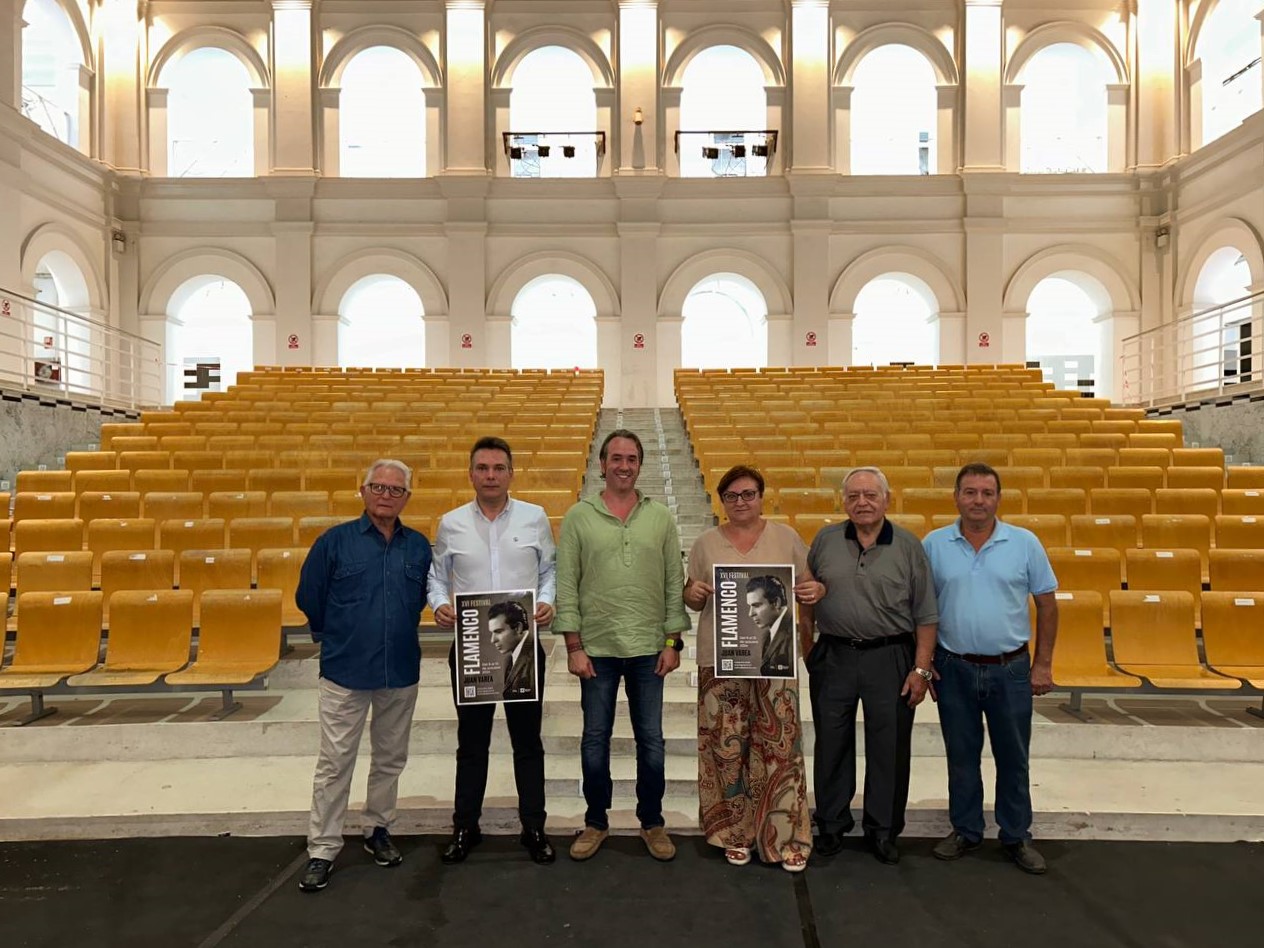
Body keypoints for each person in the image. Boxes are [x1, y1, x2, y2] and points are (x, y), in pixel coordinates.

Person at [296, 459, 432, 892]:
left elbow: (424, 600)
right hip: (345, 670)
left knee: (390, 759)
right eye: (379, 487)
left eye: (396, 490)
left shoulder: (418, 547)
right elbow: (309, 597)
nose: (386, 496)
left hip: (400, 669)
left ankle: (378, 829)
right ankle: (323, 847)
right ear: (363, 490)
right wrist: (336, 633)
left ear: (407, 498)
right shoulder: (334, 543)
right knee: (335, 763)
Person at [554, 428, 690, 863]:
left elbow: (673, 582)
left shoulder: (661, 518)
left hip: (650, 647)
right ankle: (596, 821)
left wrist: (673, 641)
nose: (624, 466)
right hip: (596, 648)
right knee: (595, 739)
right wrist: (573, 645)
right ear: (602, 463)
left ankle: (652, 821)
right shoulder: (579, 515)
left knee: (652, 740)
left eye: (632, 459)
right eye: (616, 458)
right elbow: (566, 583)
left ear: (640, 464)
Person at [684, 465, 825, 872]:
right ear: (722, 501)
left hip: (774, 663)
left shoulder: (786, 538)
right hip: (720, 661)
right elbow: (692, 598)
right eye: (732, 496)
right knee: (726, 749)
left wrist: (815, 591)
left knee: (780, 750)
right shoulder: (706, 543)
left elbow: (810, 586)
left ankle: (786, 836)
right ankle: (734, 832)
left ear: (761, 496)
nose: (741, 502)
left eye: (748, 494)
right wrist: (691, 592)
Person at [922, 462, 1059, 875]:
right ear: (956, 497)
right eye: (970, 492)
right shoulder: (934, 543)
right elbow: (923, 611)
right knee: (961, 755)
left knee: (1013, 757)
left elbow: (1048, 606)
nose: (978, 500)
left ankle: (1016, 835)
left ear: (998, 498)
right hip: (954, 668)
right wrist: (924, 664)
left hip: (1011, 670)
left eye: (986, 492)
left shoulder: (1024, 543)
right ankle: (966, 829)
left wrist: (1043, 664)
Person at [429, 436, 557, 866]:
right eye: (482, 468)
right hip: (470, 649)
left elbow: (549, 569)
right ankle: (466, 826)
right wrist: (439, 604)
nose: (490, 475)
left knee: (528, 743)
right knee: (472, 743)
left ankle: (534, 827)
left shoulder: (535, 517)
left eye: (498, 468)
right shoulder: (451, 523)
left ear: (510, 473)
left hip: (523, 649)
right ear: (471, 473)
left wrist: (548, 599)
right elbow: (435, 575)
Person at [806, 466, 938, 866]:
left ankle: (883, 830)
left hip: (891, 657)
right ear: (843, 501)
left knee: (889, 747)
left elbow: (926, 615)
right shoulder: (825, 540)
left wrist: (921, 669)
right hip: (834, 655)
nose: (862, 502)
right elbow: (806, 595)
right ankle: (830, 824)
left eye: (870, 495)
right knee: (831, 742)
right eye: (853, 496)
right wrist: (807, 648)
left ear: (887, 500)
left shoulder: (909, 546)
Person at [747, 574, 794, 676]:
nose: (750, 613)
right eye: (750, 606)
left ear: (776, 603)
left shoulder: (793, 634)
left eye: (756, 605)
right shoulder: (767, 635)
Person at [490, 599, 536, 700]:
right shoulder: (509, 659)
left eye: (498, 631)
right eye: (492, 633)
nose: (492, 640)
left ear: (518, 628)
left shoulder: (534, 658)